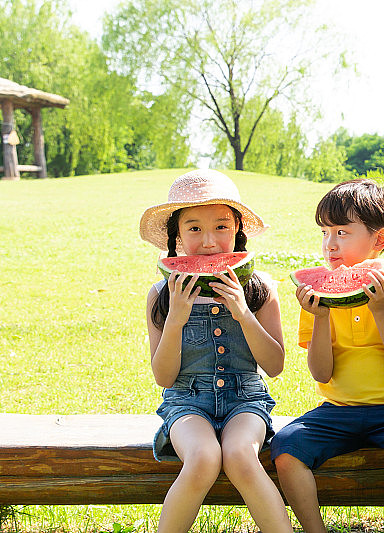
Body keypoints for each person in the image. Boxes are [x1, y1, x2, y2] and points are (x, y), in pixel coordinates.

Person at [270, 179, 384, 533]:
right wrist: (321, 317)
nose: (330, 243)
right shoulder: (316, 295)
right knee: (285, 449)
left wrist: (380, 309)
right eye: (325, 232)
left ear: (379, 239)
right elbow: (321, 373)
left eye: (342, 232)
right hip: (337, 410)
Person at [140, 169, 291, 533]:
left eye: (221, 227)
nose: (209, 242)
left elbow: (274, 366)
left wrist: (243, 313)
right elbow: (164, 377)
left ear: (237, 229)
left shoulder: (259, 289)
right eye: (194, 228)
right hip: (186, 402)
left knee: (240, 455)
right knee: (203, 458)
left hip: (245, 400)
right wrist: (175, 319)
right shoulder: (160, 296)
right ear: (176, 236)